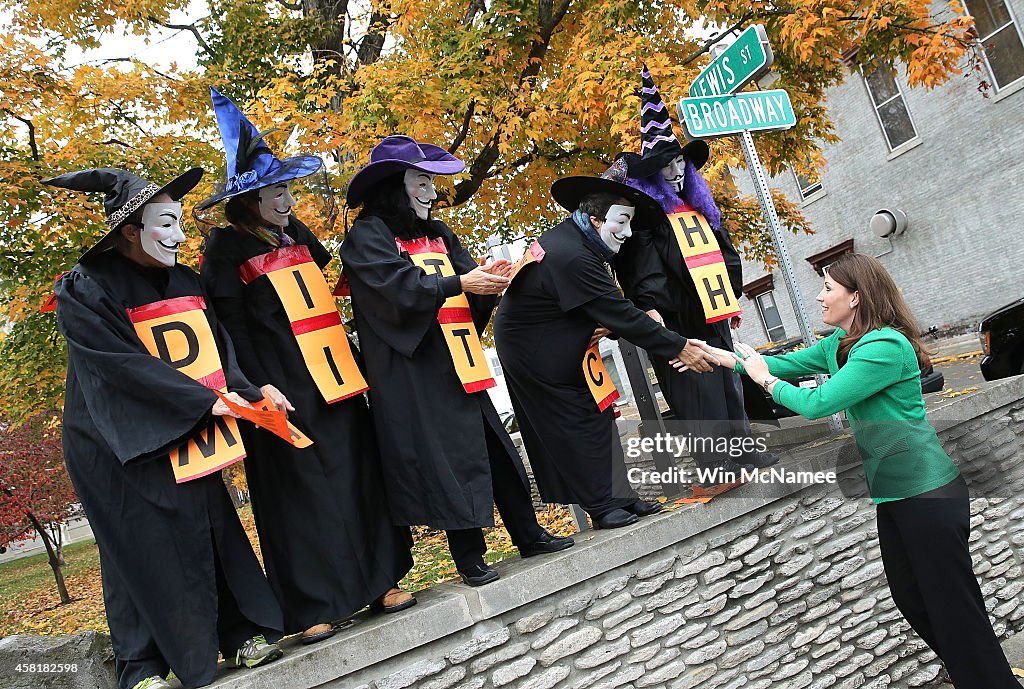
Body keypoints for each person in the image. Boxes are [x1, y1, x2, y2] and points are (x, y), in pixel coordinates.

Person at [695, 252, 1019, 688]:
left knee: (953, 608)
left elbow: (818, 403)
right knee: (912, 598)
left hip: (927, 493)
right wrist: (715, 354)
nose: (819, 296)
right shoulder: (841, 345)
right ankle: (978, 676)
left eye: (828, 288)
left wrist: (763, 381)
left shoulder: (884, 346)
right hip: (895, 495)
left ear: (857, 297)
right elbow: (783, 364)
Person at [44, 167, 284, 689]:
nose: (179, 236)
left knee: (210, 525)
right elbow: (118, 365)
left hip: (191, 421)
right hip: (115, 440)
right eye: (166, 223)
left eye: (179, 222)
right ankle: (144, 665)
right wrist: (205, 401)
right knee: (137, 544)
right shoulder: (83, 289)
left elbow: (219, 347)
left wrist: (247, 391)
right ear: (130, 230)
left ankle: (239, 632)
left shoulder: (184, 279)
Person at [196, 88, 415, 644]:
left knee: (358, 477)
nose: (286, 198)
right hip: (281, 387)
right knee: (299, 493)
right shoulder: (224, 248)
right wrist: (252, 385)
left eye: (288, 188)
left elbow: (324, 283)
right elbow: (229, 328)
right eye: (275, 191)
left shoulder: (296, 235)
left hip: (334, 376)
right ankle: (312, 604)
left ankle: (381, 580)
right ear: (248, 200)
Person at [340, 135, 574, 586]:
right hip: (416, 370)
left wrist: (493, 280)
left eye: (431, 182)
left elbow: (469, 280)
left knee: (495, 450)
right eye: (421, 182)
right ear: (394, 187)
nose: (432, 192)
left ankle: (528, 533)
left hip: (459, 356)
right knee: (447, 462)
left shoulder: (439, 233)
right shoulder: (367, 236)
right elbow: (393, 291)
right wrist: (461, 284)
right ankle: (468, 555)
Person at [494, 158, 716, 528]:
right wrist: (680, 346)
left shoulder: (579, 243)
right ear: (596, 220)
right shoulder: (571, 254)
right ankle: (601, 506)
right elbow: (619, 312)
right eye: (622, 222)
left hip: (562, 338)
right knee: (575, 422)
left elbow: (606, 312)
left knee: (599, 416)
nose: (627, 233)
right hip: (536, 351)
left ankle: (621, 498)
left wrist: (603, 326)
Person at [616, 66, 777, 475]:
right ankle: (717, 460)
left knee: (729, 379)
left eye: (680, 164)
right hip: (678, 319)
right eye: (666, 166)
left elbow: (728, 254)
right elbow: (643, 275)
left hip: (714, 310)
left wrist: (731, 294)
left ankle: (743, 448)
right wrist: (662, 319)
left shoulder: (701, 210)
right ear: (651, 174)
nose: (676, 171)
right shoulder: (647, 221)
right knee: (696, 386)